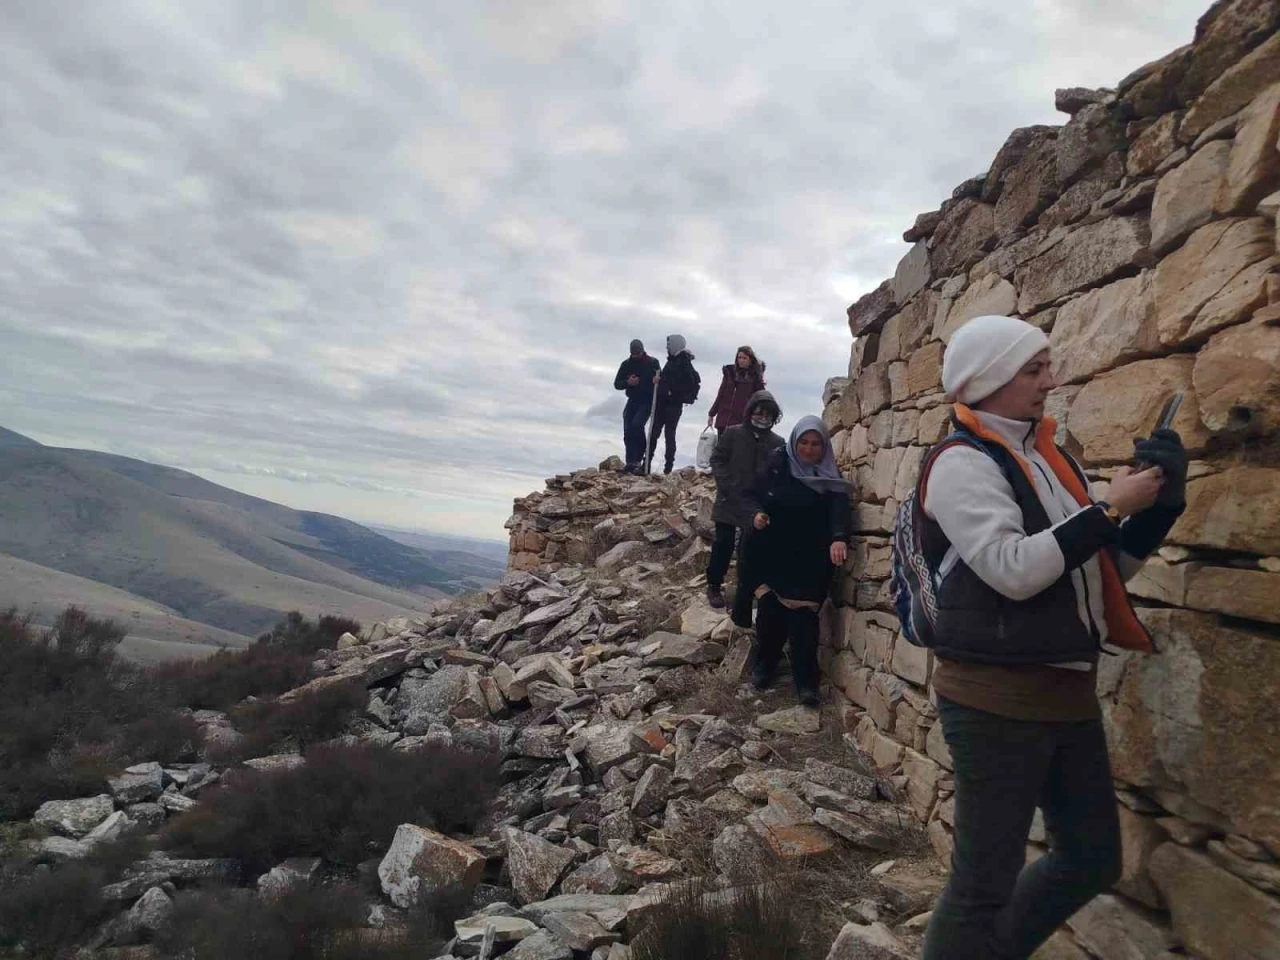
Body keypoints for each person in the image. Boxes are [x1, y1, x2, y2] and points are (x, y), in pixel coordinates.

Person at [917, 315, 1187, 960]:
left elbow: (1093, 576)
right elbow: (1013, 571)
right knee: (982, 884)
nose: (1050, 380)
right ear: (991, 379)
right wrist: (1110, 508)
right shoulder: (960, 463)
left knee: (1092, 860)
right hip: (993, 702)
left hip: (1064, 695)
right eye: (1034, 369)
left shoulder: (1045, 457)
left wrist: (1158, 510)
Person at [733, 416, 851, 707]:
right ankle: (765, 667)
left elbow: (840, 511)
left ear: (824, 447)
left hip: (809, 560)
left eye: (815, 444)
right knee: (770, 617)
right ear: (794, 443)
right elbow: (749, 495)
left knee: (804, 624)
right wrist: (756, 515)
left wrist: (838, 537)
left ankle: (806, 683)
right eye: (804, 443)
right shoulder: (776, 467)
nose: (809, 450)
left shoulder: (829, 476)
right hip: (772, 553)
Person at [706, 390, 783, 610]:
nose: (762, 417)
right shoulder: (732, 433)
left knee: (749, 549)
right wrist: (726, 484)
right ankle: (714, 585)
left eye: (767, 414)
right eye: (759, 412)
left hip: (756, 505)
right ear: (750, 411)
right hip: (728, 500)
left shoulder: (777, 442)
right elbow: (717, 459)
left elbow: (779, 470)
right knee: (723, 544)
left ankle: (746, 589)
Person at [646, 334, 700, 475]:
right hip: (662, 403)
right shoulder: (672, 361)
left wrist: (671, 391)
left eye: (669, 344)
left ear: (675, 345)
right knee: (656, 434)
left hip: (672, 405)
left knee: (667, 434)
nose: (667, 347)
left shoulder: (683, 362)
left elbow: (687, 383)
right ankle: (648, 464)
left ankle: (667, 468)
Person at [613, 339, 661, 474]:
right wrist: (628, 382)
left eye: (638, 353)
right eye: (634, 353)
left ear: (642, 350)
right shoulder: (626, 364)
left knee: (637, 425)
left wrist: (656, 381)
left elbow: (661, 380)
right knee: (628, 430)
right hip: (632, 399)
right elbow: (617, 383)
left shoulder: (652, 362)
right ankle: (630, 461)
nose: (636, 355)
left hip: (647, 400)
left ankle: (639, 459)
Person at [707, 346, 767, 435]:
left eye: (744, 358)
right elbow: (721, 395)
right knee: (721, 447)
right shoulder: (729, 374)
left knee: (737, 447)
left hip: (741, 421)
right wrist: (712, 413)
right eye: (739, 357)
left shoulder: (755, 378)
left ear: (750, 360)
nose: (741, 360)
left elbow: (761, 399)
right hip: (724, 419)